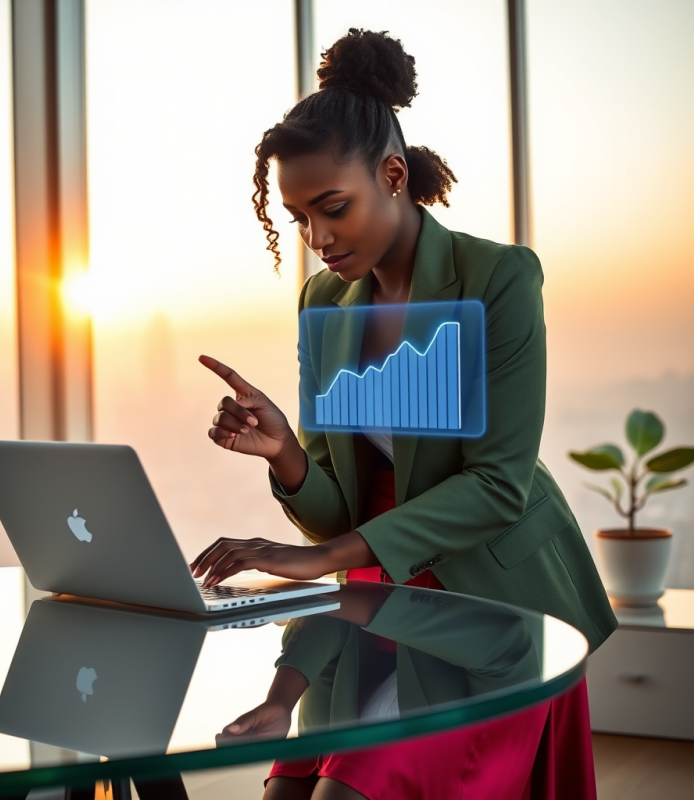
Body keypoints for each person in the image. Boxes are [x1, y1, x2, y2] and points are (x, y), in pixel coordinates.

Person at [191, 28, 616, 800]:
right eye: (299, 219)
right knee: (289, 787)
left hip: (491, 605)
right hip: (374, 594)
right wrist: (286, 454)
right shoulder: (324, 301)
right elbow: (336, 510)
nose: (318, 240)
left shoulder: (496, 278)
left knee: (356, 786)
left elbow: (497, 487)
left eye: (333, 208)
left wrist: (322, 563)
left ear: (393, 175)